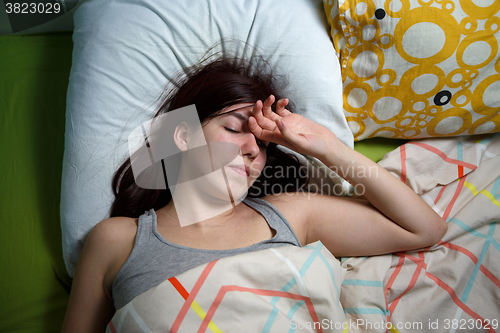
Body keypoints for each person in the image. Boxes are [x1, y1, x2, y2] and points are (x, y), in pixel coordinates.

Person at [61, 56, 447, 332]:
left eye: (262, 144)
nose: (251, 149)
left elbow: (424, 229)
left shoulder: (291, 213)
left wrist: (325, 146)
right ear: (182, 136)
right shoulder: (116, 240)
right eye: (234, 129)